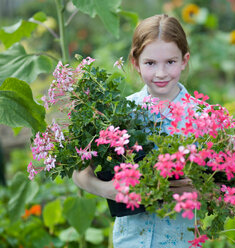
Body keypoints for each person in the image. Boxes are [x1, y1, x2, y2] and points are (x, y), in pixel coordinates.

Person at [72, 14, 196, 247]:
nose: (160, 73)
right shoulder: (117, 113)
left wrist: (200, 188)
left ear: (184, 60)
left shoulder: (203, 117)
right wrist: (108, 189)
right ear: (136, 63)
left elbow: (226, 183)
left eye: (170, 62)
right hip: (129, 241)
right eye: (150, 63)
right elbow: (79, 173)